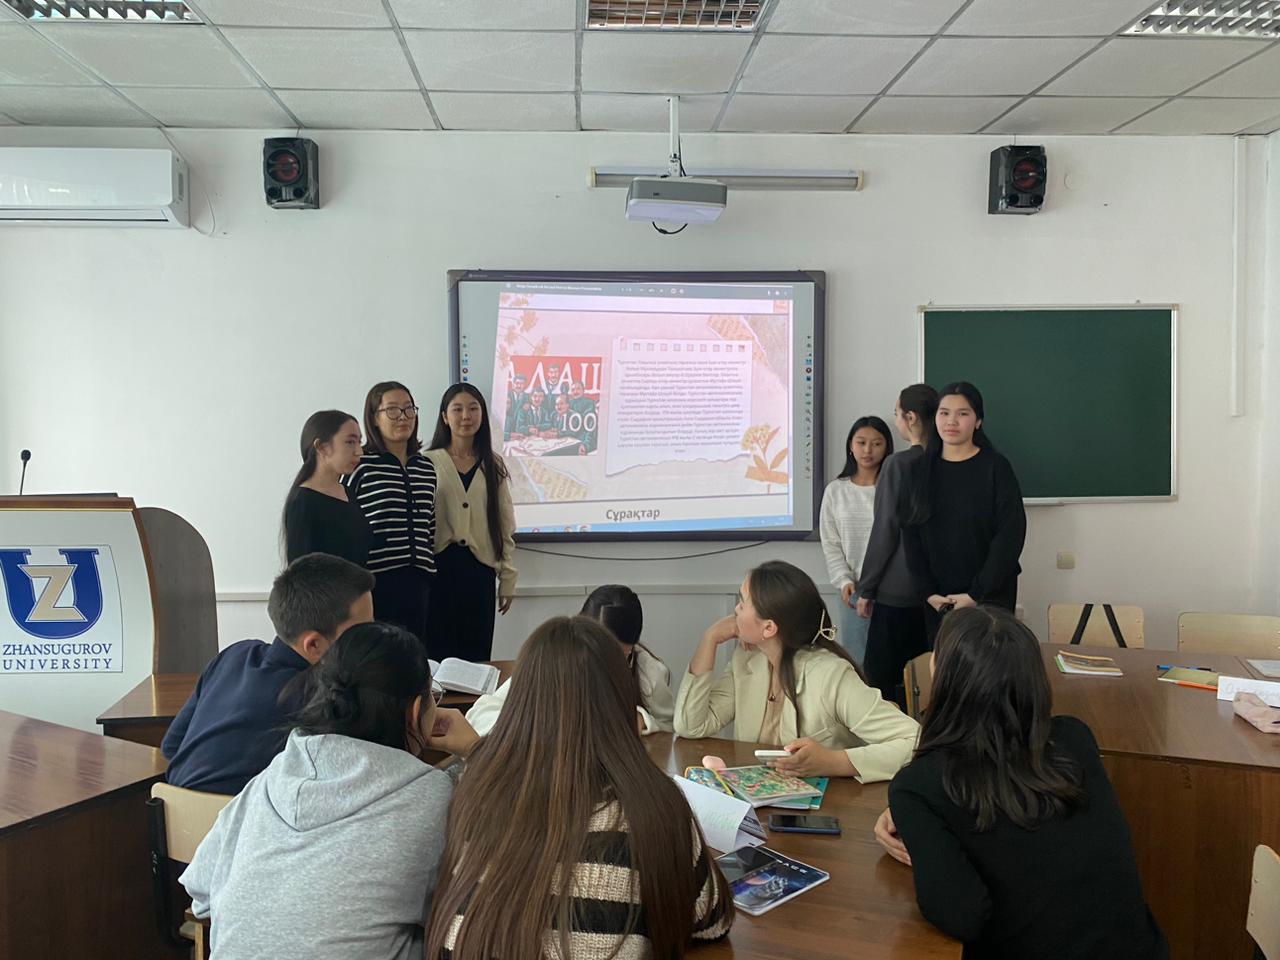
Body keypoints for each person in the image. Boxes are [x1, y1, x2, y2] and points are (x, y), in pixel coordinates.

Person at [423, 615, 734, 958]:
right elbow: (712, 921)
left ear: (518, 701)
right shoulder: (655, 806)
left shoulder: (474, 790)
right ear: (621, 701)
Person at [875, 606, 1168, 960]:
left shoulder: (920, 785)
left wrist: (916, 820)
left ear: (942, 678)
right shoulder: (1075, 738)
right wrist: (916, 817)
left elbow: (962, 917)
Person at [181, 622, 482, 960]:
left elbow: (200, 893)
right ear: (415, 711)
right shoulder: (432, 799)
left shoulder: (270, 779)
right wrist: (478, 752)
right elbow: (470, 911)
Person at [674, 560, 919, 782]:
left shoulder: (830, 675)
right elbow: (691, 726)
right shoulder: (747, 659)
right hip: (762, 800)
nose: (735, 610)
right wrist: (710, 638)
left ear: (768, 628)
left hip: (831, 805)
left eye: (742, 603)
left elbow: (916, 743)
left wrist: (833, 762)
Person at [162, 554, 374, 795]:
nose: (372, 640)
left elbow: (171, 746)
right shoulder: (323, 696)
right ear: (313, 645)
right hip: (249, 816)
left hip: (173, 809)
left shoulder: (234, 655)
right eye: (363, 633)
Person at [898, 382, 1026, 645]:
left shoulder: (996, 468)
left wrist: (976, 594)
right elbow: (910, 534)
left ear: (978, 421)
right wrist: (928, 592)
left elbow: (1010, 535)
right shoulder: (918, 471)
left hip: (990, 599)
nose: (951, 421)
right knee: (945, 665)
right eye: (944, 413)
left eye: (963, 413)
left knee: (990, 665)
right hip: (938, 601)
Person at [467, 584, 674, 736]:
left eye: (620, 657)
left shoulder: (648, 672)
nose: (607, 664)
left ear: (633, 647)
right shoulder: (551, 658)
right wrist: (538, 725)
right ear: (579, 631)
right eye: (597, 652)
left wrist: (642, 720)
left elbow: (671, 727)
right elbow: (481, 714)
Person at [859, 384, 939, 705]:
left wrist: (866, 588)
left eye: (897, 414)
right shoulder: (952, 461)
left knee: (884, 685)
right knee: (928, 684)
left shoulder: (898, 465)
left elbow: (885, 530)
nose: (895, 421)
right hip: (938, 593)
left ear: (911, 418)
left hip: (897, 593)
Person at [425, 383, 517, 661]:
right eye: (458, 409)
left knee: (476, 655)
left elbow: (504, 523)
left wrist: (507, 577)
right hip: (437, 570)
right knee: (437, 655)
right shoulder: (426, 462)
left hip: (479, 572)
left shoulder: (493, 463)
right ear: (445, 417)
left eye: (473, 408)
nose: (466, 416)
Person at [345, 381, 437, 648]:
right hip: (377, 581)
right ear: (375, 418)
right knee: (380, 658)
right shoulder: (360, 465)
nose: (403, 417)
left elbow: (429, 525)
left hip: (419, 581)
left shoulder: (426, 467)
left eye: (409, 409)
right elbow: (346, 522)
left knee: (416, 656)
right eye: (393, 410)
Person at [819, 415, 892, 667]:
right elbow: (831, 543)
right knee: (856, 662)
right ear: (850, 445)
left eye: (876, 443)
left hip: (891, 589)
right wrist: (844, 579)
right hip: (853, 589)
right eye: (861, 442)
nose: (868, 450)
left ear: (887, 447)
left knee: (890, 662)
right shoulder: (836, 491)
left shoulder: (893, 489)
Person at [281, 410, 370, 566]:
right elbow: (300, 572)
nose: (359, 452)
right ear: (321, 447)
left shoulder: (348, 493)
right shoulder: (302, 502)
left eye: (359, 442)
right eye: (350, 442)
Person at [503, 372, 529, 438]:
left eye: (522, 384)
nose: (519, 386)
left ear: (525, 385)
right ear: (513, 384)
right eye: (517, 383)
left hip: (521, 431)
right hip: (507, 429)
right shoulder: (505, 395)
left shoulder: (528, 397)